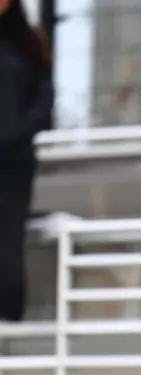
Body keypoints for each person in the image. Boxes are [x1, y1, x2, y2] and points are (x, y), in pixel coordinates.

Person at [0, 0, 53, 321]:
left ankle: (8, 325)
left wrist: (17, 133)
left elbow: (44, 100)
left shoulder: (29, 42)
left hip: (14, 164)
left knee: (7, 244)